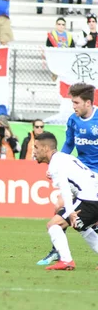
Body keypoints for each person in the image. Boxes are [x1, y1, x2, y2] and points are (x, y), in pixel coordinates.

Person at [37, 83, 98, 265]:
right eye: (72, 102)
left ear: (88, 103)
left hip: (94, 177)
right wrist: (57, 162)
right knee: (60, 207)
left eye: (76, 102)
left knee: (80, 215)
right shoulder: (73, 120)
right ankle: (58, 250)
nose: (74, 106)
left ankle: (63, 255)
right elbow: (69, 145)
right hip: (82, 173)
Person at [34, 131, 98, 270]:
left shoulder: (55, 164)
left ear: (45, 149)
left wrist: (70, 212)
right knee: (81, 226)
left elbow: (65, 190)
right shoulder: (65, 157)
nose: (34, 152)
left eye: (36, 148)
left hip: (89, 198)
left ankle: (66, 260)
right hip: (93, 195)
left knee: (54, 225)